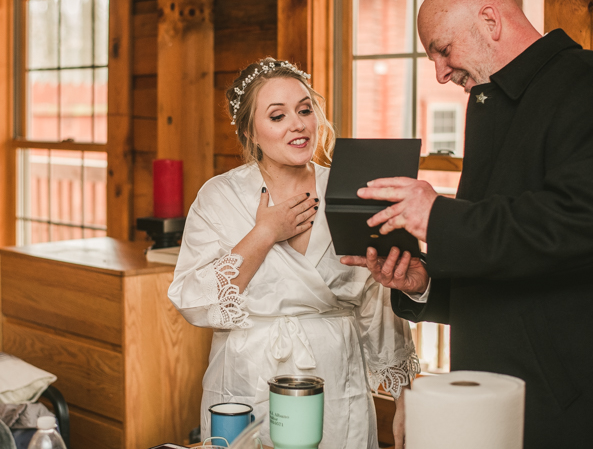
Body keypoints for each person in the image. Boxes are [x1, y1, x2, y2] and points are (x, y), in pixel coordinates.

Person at [342, 0, 593, 448]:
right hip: (491, 400)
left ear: (489, 21)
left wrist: (437, 217)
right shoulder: (489, 103)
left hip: (574, 405)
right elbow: (505, 254)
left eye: (442, 49)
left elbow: (587, 222)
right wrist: (426, 283)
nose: (441, 73)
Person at [168, 57, 420, 449]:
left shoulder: (351, 188)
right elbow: (193, 299)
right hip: (247, 377)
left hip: (336, 377)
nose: (298, 124)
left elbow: (377, 296)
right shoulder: (220, 197)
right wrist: (265, 232)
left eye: (305, 110)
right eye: (277, 115)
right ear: (251, 131)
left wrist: (406, 395)